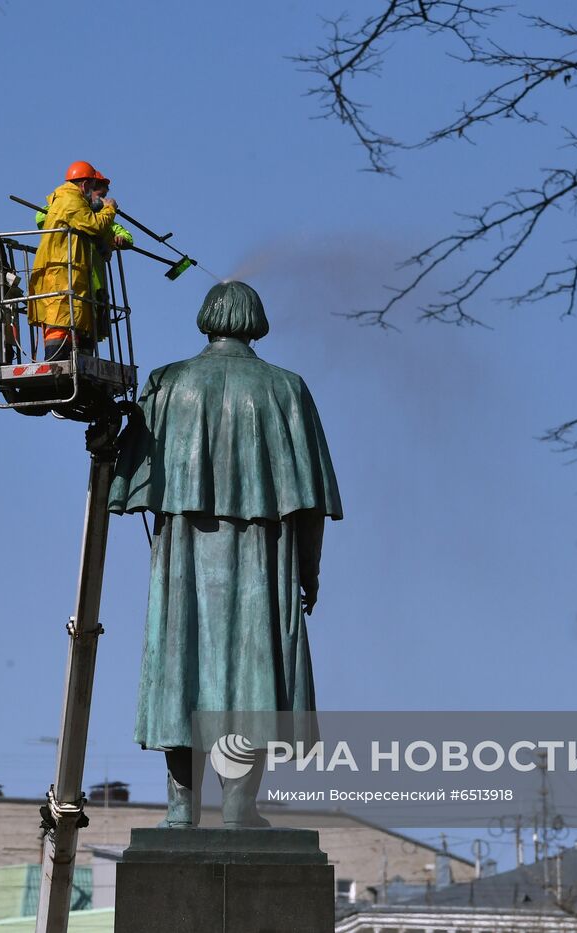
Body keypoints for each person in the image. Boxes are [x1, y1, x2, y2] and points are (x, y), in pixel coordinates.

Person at [108, 281, 344, 828]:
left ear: (207, 317)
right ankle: (239, 806)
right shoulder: (286, 389)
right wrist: (308, 573)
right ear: (256, 320)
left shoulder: (169, 384)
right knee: (249, 674)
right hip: (262, 559)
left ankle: (178, 808)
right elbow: (309, 503)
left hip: (184, 559)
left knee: (180, 669)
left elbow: (132, 481)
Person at [29, 160, 118, 360]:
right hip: (60, 276)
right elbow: (93, 225)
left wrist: (106, 244)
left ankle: (73, 364)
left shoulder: (68, 199)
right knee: (60, 322)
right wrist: (110, 208)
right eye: (95, 189)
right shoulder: (70, 199)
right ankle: (58, 368)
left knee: (74, 321)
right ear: (85, 185)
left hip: (69, 276)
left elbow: (87, 231)